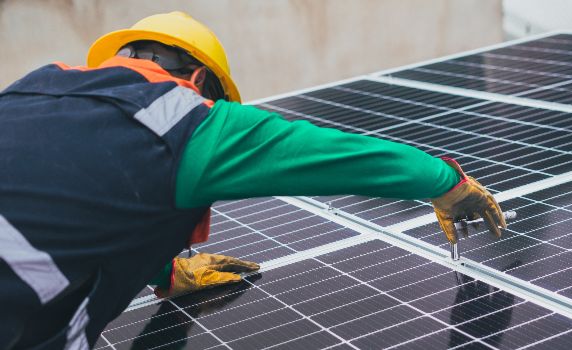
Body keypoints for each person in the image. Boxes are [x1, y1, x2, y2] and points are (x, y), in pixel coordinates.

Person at [0, 11, 506, 349]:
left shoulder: (31, 88)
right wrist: (448, 183)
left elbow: (74, 197)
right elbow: (339, 154)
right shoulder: (187, 119)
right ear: (201, 81)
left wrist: (165, 273)